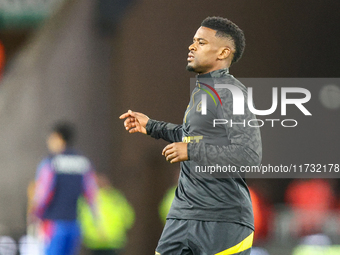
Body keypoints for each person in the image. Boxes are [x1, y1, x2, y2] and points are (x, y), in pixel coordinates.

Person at [120, 16, 262, 255]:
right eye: (193, 41)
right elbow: (192, 136)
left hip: (222, 220)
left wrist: (191, 151)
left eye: (201, 42)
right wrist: (152, 126)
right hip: (183, 215)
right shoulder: (202, 92)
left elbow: (249, 154)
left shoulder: (231, 92)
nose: (191, 46)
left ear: (223, 52)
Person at [30, 121, 98, 255]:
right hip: (74, 223)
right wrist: (95, 218)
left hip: (54, 223)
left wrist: (35, 214)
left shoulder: (51, 162)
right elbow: (91, 193)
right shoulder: (83, 162)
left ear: (58, 138)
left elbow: (43, 192)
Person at [78, 173, 135, 255]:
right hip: (101, 242)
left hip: (105, 241)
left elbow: (128, 216)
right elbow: (128, 217)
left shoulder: (89, 198)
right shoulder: (115, 197)